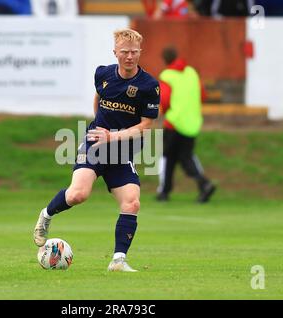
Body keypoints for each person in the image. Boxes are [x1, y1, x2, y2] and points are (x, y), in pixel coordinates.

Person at [33, 29, 160, 272]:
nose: (130, 57)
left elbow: (146, 125)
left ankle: (118, 261)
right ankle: (46, 216)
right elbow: (99, 98)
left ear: (140, 52)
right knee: (78, 195)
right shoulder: (103, 73)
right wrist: (99, 126)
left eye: (134, 52)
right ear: (116, 53)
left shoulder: (149, 85)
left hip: (121, 151)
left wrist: (113, 136)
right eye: (124, 52)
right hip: (96, 145)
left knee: (132, 203)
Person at [156, 46, 216, 203]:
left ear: (164, 60)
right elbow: (203, 95)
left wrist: (158, 113)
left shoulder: (167, 75)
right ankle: (166, 192)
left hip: (174, 123)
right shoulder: (191, 72)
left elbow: (164, 100)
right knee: (178, 157)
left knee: (174, 158)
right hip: (192, 123)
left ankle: (203, 183)